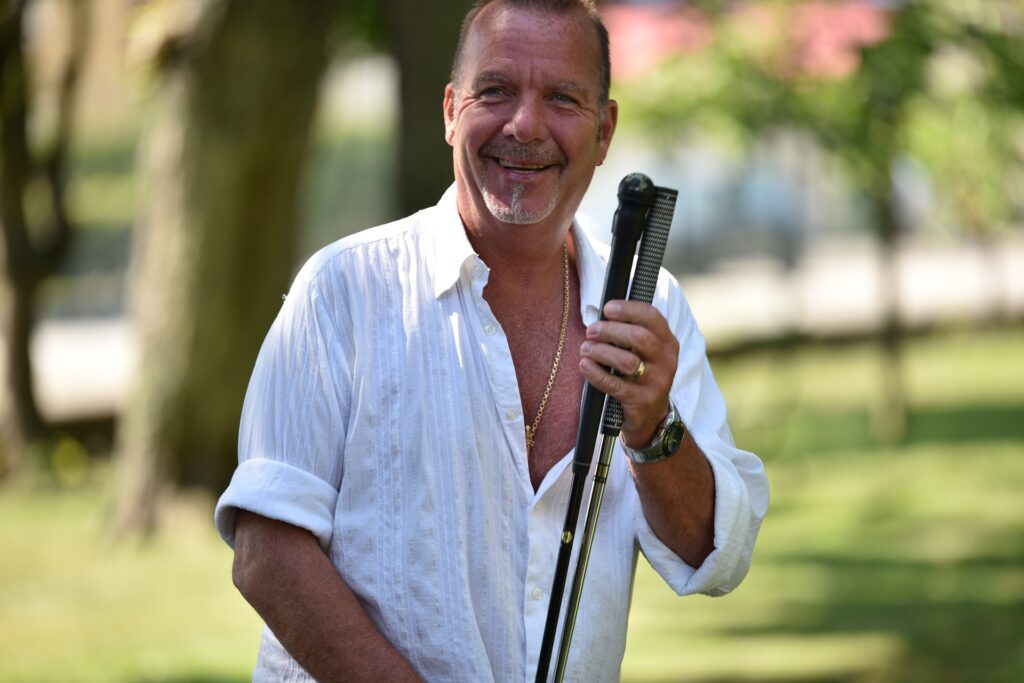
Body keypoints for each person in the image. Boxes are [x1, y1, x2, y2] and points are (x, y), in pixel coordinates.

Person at [215, 0, 769, 680]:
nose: (525, 125)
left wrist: (653, 427)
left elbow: (716, 553)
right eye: (496, 91)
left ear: (605, 130)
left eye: (563, 97)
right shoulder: (341, 293)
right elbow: (268, 551)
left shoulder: (647, 309)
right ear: (451, 111)